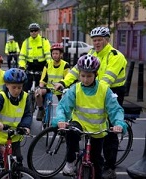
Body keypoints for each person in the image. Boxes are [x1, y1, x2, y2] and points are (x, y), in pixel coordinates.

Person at [54, 26, 127, 179]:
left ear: (107, 40)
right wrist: (64, 82)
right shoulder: (91, 54)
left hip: (111, 92)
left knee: (110, 133)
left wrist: (97, 91)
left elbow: (107, 79)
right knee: (73, 131)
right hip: (93, 90)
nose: (97, 43)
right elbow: (76, 71)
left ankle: (110, 166)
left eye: (100, 40)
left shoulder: (115, 55)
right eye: (94, 40)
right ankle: (72, 161)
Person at [35, 43, 70, 121]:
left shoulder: (65, 65)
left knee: (65, 106)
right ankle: (41, 110)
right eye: (53, 53)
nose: (55, 55)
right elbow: (43, 79)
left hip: (60, 90)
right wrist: (40, 87)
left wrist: (63, 87)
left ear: (61, 54)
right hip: (49, 89)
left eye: (57, 53)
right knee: (37, 92)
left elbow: (67, 79)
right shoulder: (48, 64)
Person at [18, 23, 51, 92]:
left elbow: (48, 55)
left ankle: (42, 102)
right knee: (25, 88)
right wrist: (22, 66)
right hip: (30, 66)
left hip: (41, 66)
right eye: (31, 31)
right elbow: (22, 57)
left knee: (41, 89)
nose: (33, 32)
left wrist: (49, 65)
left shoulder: (44, 41)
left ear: (38, 31)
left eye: (35, 30)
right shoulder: (26, 42)